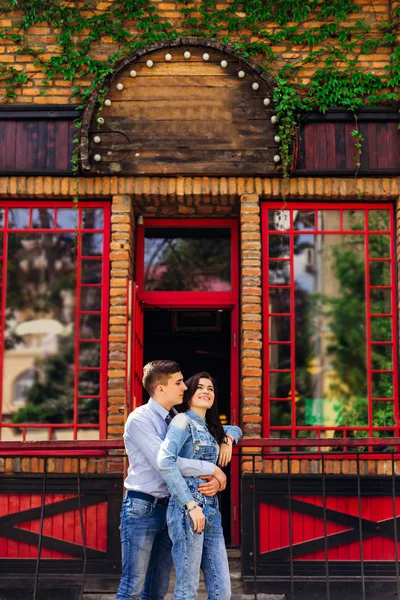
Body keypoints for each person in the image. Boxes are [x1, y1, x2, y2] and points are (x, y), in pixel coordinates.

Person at [115, 360, 227, 600]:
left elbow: (216, 428)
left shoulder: (176, 417)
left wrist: (228, 439)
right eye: (178, 382)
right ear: (161, 389)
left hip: (170, 505)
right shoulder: (140, 419)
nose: (184, 388)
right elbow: (164, 462)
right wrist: (212, 469)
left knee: (156, 588)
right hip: (142, 507)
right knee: (132, 588)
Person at [157, 371, 243, 600]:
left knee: (222, 591)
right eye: (200, 388)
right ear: (188, 396)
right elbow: (165, 462)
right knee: (187, 589)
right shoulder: (182, 420)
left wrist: (227, 439)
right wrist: (190, 505)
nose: (206, 391)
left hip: (212, 511)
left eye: (210, 389)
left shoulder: (210, 428)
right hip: (189, 510)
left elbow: (236, 428)